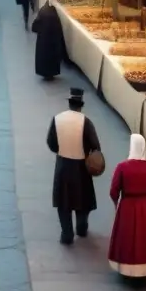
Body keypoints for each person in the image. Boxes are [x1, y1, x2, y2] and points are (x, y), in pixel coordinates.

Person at [108, 134, 146, 279]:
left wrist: (116, 203)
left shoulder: (122, 167)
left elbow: (113, 190)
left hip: (127, 206)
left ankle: (127, 267)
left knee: (127, 236)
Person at [47, 88, 101, 245]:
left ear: (69, 103)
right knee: (82, 199)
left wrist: (62, 149)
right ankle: (81, 227)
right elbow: (96, 146)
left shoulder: (57, 119)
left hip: (63, 165)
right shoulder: (86, 122)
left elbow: (51, 143)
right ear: (81, 105)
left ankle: (67, 233)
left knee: (63, 202)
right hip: (81, 167)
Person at [31, 2, 67, 79]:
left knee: (45, 52)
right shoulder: (52, 14)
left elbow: (34, 27)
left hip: (44, 37)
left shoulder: (45, 9)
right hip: (50, 36)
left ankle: (46, 73)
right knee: (51, 52)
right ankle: (50, 72)